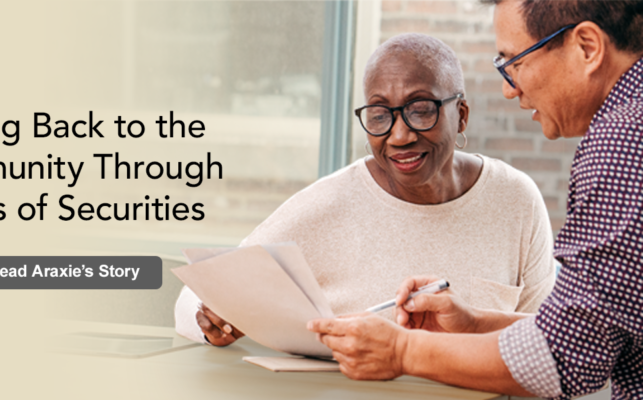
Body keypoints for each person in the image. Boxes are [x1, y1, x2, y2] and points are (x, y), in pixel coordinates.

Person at [307, 1, 643, 398]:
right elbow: (596, 330)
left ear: (587, 47)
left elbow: (566, 356)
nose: (509, 88)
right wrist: (472, 325)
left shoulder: (622, 144)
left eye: (514, 62)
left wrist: (401, 350)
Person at [174, 33, 557, 347]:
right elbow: (196, 295)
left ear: (461, 115)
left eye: (420, 109)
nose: (400, 135)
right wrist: (213, 321)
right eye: (379, 114)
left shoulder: (515, 200)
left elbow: (549, 345)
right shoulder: (327, 205)